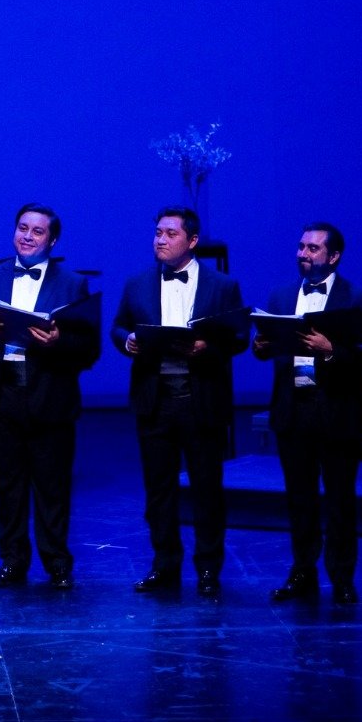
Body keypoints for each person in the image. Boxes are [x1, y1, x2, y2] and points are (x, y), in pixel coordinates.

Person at [109, 206, 247, 599]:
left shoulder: (222, 285)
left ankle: (207, 569)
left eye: (170, 234)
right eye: (157, 233)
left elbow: (237, 337)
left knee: (206, 489)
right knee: (159, 490)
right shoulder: (138, 283)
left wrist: (208, 345)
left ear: (192, 240)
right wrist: (128, 341)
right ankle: (164, 564)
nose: (161, 240)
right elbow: (118, 326)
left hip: (200, 398)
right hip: (156, 399)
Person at [0, 204, 99, 590]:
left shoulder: (72, 284)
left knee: (52, 486)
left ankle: (57, 562)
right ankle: (13, 560)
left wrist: (58, 341)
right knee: (8, 486)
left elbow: (87, 348)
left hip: (49, 397)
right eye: (22, 228)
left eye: (37, 231)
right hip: (0, 395)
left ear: (52, 240)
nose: (27, 236)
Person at [250, 224, 362, 606]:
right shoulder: (282, 294)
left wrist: (330, 349)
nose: (303, 253)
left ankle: (341, 576)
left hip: (337, 409)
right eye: (301, 246)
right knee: (299, 498)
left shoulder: (356, 296)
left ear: (333, 256)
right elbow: (269, 348)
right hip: (294, 407)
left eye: (313, 248)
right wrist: (261, 345)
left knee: (339, 500)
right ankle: (302, 571)